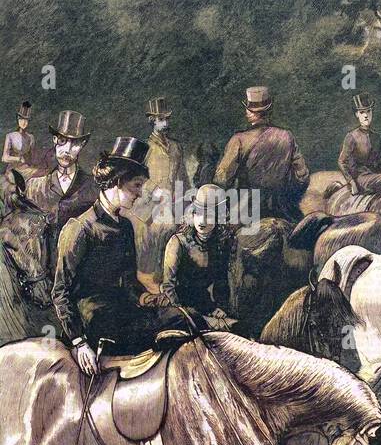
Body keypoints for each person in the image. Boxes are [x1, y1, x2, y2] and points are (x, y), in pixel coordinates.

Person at [52, 137, 192, 373]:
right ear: (116, 182)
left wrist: (147, 297)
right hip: (96, 321)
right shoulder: (81, 228)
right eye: (136, 186)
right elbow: (60, 291)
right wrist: (78, 341)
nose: (139, 194)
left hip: (125, 311)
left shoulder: (126, 226)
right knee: (172, 329)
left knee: (185, 318)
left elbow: (128, 282)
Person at [213, 85, 310, 224]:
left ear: (251, 112)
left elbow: (221, 180)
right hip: (282, 212)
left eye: (247, 108)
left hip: (247, 213)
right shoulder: (287, 136)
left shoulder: (239, 140)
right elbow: (303, 177)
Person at [157, 183, 241, 334]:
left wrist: (219, 308)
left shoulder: (220, 247)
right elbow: (168, 285)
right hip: (175, 309)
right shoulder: (178, 242)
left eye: (208, 215)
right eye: (198, 213)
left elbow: (221, 283)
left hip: (205, 306)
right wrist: (184, 312)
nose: (201, 221)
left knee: (236, 328)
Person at [27, 110, 97, 236]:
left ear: (82, 145)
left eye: (75, 143)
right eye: (62, 141)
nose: (67, 150)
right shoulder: (34, 187)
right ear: (54, 140)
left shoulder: (93, 186)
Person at [338, 92, 381, 196]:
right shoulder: (351, 136)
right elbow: (342, 162)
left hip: (375, 178)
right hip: (361, 180)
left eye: (368, 111)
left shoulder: (377, 137)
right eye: (362, 112)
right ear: (357, 114)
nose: (366, 115)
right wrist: (352, 182)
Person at [2, 101, 35, 174]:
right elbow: (4, 158)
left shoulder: (31, 137)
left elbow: (31, 159)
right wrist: (18, 159)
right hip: (12, 170)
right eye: (21, 119)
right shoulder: (10, 136)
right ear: (18, 119)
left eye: (26, 120)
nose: (23, 122)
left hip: (25, 169)